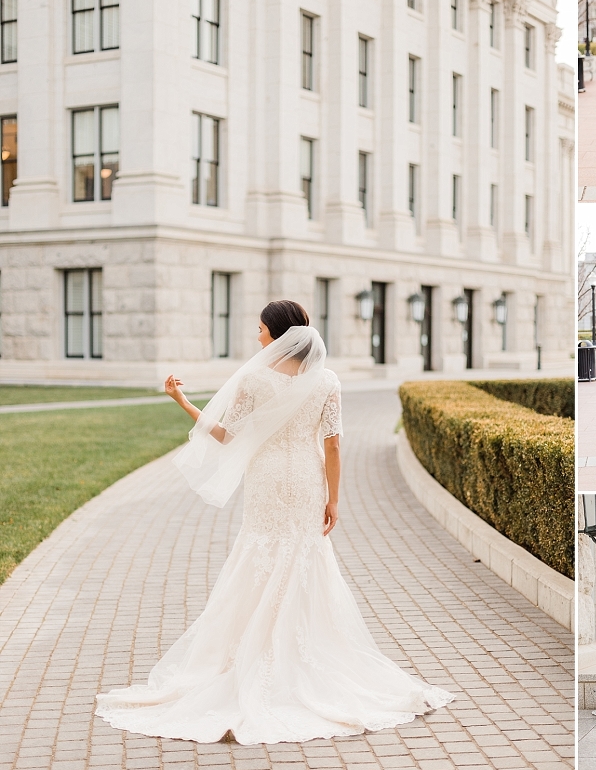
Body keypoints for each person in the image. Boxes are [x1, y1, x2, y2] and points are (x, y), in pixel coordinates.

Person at [96, 300, 454, 744]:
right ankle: (298, 660)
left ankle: (249, 658)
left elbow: (227, 436)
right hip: (306, 481)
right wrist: (335, 500)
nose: (257, 336)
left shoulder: (253, 378)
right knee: (305, 560)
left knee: (259, 557)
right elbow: (335, 446)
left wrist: (182, 402)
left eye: (262, 329)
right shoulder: (327, 382)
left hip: (266, 481)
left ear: (281, 334)